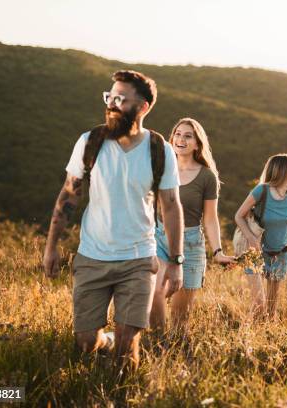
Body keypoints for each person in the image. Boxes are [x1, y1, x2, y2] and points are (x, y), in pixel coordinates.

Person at [42, 70, 184, 370]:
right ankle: (101, 340)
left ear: (143, 107)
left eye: (121, 99)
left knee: (126, 347)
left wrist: (176, 260)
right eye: (110, 97)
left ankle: (121, 393)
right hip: (92, 256)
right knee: (86, 342)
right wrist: (51, 246)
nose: (112, 104)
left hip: (138, 258)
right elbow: (69, 195)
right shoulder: (90, 142)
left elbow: (170, 205)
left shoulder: (160, 150)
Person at [150, 118, 234, 333]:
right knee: (156, 291)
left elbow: (210, 218)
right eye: (178, 134)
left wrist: (217, 251)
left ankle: (177, 350)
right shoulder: (161, 169)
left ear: (197, 144)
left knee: (180, 318)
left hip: (190, 244)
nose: (181, 139)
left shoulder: (207, 177)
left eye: (188, 136)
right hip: (160, 238)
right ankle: (158, 344)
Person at [235, 153, 287, 319]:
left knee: (271, 306)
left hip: (280, 253)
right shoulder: (261, 190)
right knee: (260, 303)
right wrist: (251, 238)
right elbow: (238, 216)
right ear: (284, 169)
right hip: (256, 252)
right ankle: (248, 336)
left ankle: (266, 335)